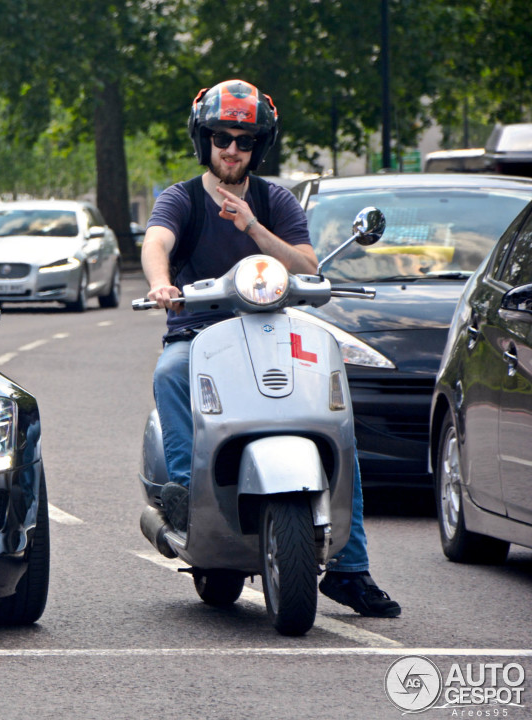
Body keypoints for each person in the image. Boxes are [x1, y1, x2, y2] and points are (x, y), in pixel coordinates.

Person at [141, 79, 401, 619]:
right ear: (203, 140)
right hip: (200, 332)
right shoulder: (181, 198)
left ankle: (350, 568)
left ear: (259, 147)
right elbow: (157, 242)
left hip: (272, 329)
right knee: (170, 371)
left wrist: (253, 226)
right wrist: (162, 283)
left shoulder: (273, 199)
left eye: (245, 140)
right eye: (222, 137)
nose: (232, 149)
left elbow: (307, 265)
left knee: (334, 416)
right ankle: (187, 498)